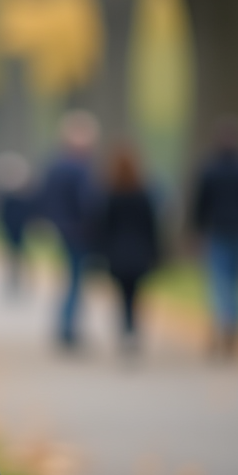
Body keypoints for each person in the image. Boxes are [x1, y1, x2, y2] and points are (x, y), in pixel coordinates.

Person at [190, 117, 238, 356]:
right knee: (234, 282)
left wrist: (196, 230)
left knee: (220, 282)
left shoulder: (209, 168)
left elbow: (200, 204)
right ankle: (234, 325)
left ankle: (224, 324)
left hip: (218, 230)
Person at [39, 110, 100, 349]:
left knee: (70, 278)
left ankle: (65, 324)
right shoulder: (80, 168)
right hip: (79, 231)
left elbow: (46, 198)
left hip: (61, 229)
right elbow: (88, 202)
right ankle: (68, 328)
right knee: (76, 279)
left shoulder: (55, 165)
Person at [94, 144, 161, 354]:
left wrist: (101, 252)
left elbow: (103, 227)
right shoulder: (143, 194)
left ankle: (125, 329)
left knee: (122, 296)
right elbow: (152, 226)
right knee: (136, 295)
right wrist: (156, 252)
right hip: (140, 252)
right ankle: (133, 330)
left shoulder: (110, 195)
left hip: (117, 253)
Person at [0, 151, 36, 297]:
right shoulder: (4, 192)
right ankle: (12, 280)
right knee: (12, 255)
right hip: (9, 228)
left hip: (20, 228)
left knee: (19, 255)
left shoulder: (23, 191)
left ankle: (18, 280)